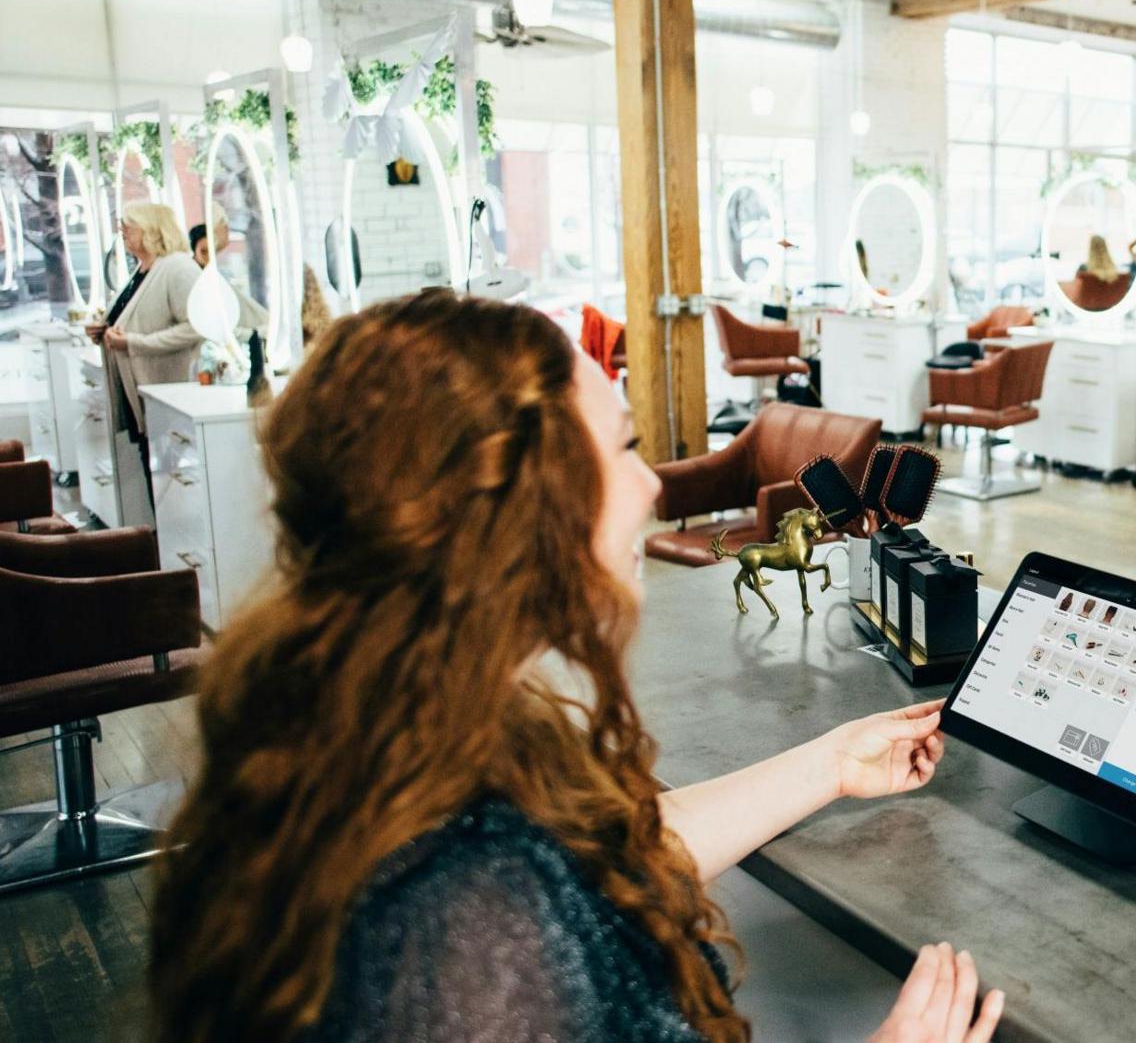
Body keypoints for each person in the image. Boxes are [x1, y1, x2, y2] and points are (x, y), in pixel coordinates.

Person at [147, 291, 1004, 1043]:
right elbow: (531, 899)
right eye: (624, 447)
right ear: (521, 506)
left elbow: (601, 860)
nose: (650, 486)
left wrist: (830, 764)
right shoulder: (464, 927)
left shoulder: (381, 726)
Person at [85, 202, 204, 443]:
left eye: (129, 226)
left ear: (151, 229)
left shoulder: (178, 268)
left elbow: (195, 327)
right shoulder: (142, 270)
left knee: (164, 467)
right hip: (136, 383)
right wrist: (104, 330)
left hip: (164, 386)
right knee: (147, 458)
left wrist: (134, 342)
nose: (123, 231)